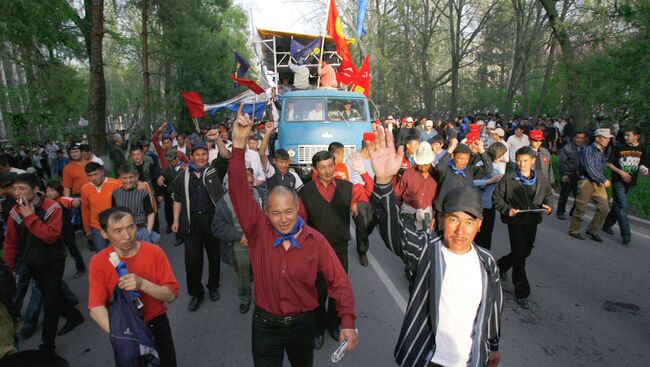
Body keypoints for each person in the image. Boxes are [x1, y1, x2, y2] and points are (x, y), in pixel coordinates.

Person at [227, 106, 358, 366]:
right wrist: (239, 145)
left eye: (289, 211)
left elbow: (339, 282)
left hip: (302, 326)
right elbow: (239, 191)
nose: (284, 218)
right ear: (266, 213)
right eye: (276, 213)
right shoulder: (258, 232)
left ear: (298, 207)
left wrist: (347, 321)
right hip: (265, 326)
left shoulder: (315, 241)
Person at [370, 127, 502, 367]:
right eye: (454, 219)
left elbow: (492, 306)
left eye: (469, 222)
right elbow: (393, 233)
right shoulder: (426, 249)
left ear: (479, 225)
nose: (461, 230)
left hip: (471, 361)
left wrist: (493, 345)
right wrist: (383, 182)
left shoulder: (487, 262)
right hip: (428, 358)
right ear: (441, 219)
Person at [3, 173, 85, 353]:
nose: (17, 193)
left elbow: (51, 236)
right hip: (31, 262)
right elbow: (11, 242)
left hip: (53, 261)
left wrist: (30, 216)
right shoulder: (15, 212)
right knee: (53, 295)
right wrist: (10, 268)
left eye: (22, 188)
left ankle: (47, 346)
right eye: (15, 189)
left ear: (35, 190)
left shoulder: (52, 207)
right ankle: (75, 316)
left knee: (49, 302)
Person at [88, 207, 180, 367]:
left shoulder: (154, 252)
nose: (127, 236)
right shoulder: (98, 262)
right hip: (125, 329)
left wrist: (142, 284)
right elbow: (95, 307)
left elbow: (171, 295)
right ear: (104, 233)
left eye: (131, 227)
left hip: (156, 325)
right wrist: (124, 334)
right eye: (117, 231)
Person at [298, 149, 371, 349]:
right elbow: (300, 224)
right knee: (318, 292)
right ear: (315, 169)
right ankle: (318, 328)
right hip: (315, 251)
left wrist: (363, 172)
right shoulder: (305, 193)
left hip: (339, 248)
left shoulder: (347, 187)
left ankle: (332, 323)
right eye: (322, 167)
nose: (328, 170)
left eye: (331, 165)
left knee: (338, 291)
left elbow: (368, 191)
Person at [493, 146, 553, 309]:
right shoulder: (509, 178)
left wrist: (548, 206)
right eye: (519, 160)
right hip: (516, 221)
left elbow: (548, 194)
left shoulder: (540, 178)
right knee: (520, 255)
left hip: (532, 219)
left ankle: (501, 265)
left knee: (525, 251)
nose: (522, 163)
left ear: (533, 161)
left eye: (525, 160)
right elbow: (497, 198)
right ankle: (522, 290)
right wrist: (507, 210)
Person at [171, 141, 227, 311]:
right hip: (191, 223)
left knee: (214, 256)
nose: (201, 157)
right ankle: (196, 293)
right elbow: (178, 199)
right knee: (192, 260)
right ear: (192, 156)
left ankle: (213, 286)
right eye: (198, 154)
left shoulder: (214, 171)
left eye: (204, 154)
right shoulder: (183, 175)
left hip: (212, 220)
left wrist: (218, 139)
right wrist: (175, 221)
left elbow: (225, 156)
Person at [212, 162, 264, 314]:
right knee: (243, 276)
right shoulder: (226, 201)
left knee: (264, 274)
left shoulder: (261, 194)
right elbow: (217, 227)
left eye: (251, 175)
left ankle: (264, 299)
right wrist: (237, 236)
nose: (249, 179)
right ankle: (245, 299)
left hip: (262, 244)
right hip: (241, 245)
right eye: (244, 176)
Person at [602, 127, 648, 245]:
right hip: (618, 180)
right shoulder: (619, 147)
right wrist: (621, 172)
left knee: (618, 204)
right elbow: (609, 163)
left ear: (636, 136)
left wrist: (644, 169)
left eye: (628, 135)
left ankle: (607, 225)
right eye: (625, 135)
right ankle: (626, 235)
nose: (625, 137)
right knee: (622, 205)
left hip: (631, 181)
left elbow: (643, 162)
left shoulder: (642, 148)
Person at [569, 128, 613, 242]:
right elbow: (589, 168)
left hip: (598, 182)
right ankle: (574, 230)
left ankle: (592, 230)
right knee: (581, 207)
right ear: (598, 138)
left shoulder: (603, 151)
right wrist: (603, 179)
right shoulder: (588, 151)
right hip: (587, 181)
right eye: (605, 137)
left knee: (604, 208)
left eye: (609, 138)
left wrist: (601, 180)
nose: (608, 140)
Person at [433, 142, 492, 214]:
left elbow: (488, 169)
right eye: (460, 158)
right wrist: (449, 150)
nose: (464, 162)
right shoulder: (446, 170)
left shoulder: (470, 170)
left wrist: (482, 151)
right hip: (445, 209)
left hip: (464, 208)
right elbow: (439, 168)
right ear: (453, 156)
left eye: (466, 159)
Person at [45, 180, 86, 278]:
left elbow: (75, 201)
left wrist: (77, 201)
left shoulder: (63, 200)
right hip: (54, 231)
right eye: (48, 191)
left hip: (66, 230)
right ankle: (56, 275)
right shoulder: (46, 203)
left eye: (52, 191)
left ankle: (81, 268)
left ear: (59, 191)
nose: (49, 193)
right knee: (57, 254)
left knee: (73, 250)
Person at [346, 135, 376, 266]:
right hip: (359, 199)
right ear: (368, 145)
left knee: (370, 225)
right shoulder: (352, 159)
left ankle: (362, 237)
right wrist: (352, 203)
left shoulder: (375, 159)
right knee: (362, 226)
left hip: (373, 197)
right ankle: (362, 251)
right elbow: (347, 182)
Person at [394, 142, 437, 233]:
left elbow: (438, 198)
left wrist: (435, 216)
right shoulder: (408, 173)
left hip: (426, 212)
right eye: (420, 164)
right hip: (408, 210)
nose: (423, 167)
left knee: (424, 240)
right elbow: (398, 192)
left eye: (426, 164)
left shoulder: (436, 175)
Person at [472, 142, 507, 250]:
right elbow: (471, 182)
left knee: (487, 234)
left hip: (490, 205)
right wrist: (489, 181)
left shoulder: (500, 166)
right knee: (476, 234)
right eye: (501, 155)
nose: (503, 157)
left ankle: (485, 259)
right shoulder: (481, 164)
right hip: (477, 204)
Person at [81, 162, 122, 251]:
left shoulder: (116, 184)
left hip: (116, 225)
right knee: (102, 254)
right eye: (90, 176)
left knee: (119, 252)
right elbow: (85, 210)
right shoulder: (85, 189)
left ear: (102, 172)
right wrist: (87, 229)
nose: (93, 178)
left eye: (96, 174)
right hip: (97, 227)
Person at [112, 165, 156, 242]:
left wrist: (148, 231)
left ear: (136, 177)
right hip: (123, 231)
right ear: (119, 178)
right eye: (124, 178)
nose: (128, 181)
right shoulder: (115, 193)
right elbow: (114, 214)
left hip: (141, 229)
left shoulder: (143, 192)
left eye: (131, 177)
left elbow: (150, 213)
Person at [556, 131, 587, 220]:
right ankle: (560, 211)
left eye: (582, 138)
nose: (579, 140)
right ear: (574, 138)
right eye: (578, 137)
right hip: (569, 173)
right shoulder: (567, 148)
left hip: (580, 175)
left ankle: (573, 211)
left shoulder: (585, 148)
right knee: (564, 194)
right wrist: (564, 174)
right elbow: (561, 162)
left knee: (579, 195)